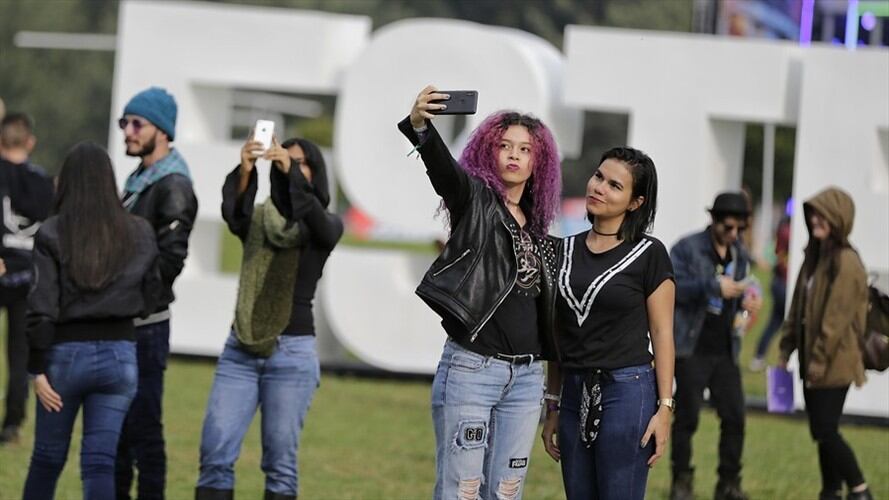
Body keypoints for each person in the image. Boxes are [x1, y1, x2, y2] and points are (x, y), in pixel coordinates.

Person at [399, 85, 562, 500]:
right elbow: (444, 173)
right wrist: (421, 126)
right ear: (489, 151)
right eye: (504, 145)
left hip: (527, 379)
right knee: (463, 491)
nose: (513, 154)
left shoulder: (542, 232)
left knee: (507, 492)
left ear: (537, 162)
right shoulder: (475, 202)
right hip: (474, 369)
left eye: (524, 149)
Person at [195, 132, 342, 500]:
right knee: (214, 454)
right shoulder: (260, 220)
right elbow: (235, 214)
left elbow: (312, 214)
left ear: (315, 172)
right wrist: (245, 169)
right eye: (284, 158)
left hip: (292, 354)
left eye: (300, 161)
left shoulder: (326, 225)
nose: (289, 165)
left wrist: (289, 171)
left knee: (280, 466)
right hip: (240, 349)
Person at [22, 142, 160, 500]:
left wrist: (36, 368)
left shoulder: (52, 232)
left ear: (66, 182)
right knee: (99, 464)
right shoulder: (140, 231)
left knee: (47, 458)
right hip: (120, 356)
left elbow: (41, 305)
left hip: (64, 357)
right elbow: (152, 295)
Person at [541, 147, 675, 500]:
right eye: (599, 176)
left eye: (615, 185)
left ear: (635, 202)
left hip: (628, 392)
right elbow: (557, 333)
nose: (599, 187)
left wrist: (665, 408)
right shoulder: (561, 251)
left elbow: (662, 334)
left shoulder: (650, 255)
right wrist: (552, 403)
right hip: (573, 393)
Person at [115, 86, 198, 500]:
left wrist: (124, 300)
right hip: (121, 322)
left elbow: (169, 264)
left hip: (144, 327)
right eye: (124, 123)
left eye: (136, 124)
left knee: (144, 431)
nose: (127, 131)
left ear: (162, 131)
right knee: (117, 433)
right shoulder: (139, 178)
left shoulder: (172, 185)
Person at [778, 187, 873, 500]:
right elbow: (797, 307)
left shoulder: (846, 262)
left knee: (825, 429)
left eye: (822, 214)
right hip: (812, 360)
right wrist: (785, 350)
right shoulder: (814, 256)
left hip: (835, 361)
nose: (815, 219)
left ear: (838, 218)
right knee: (821, 431)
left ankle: (859, 489)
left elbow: (835, 322)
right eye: (812, 213)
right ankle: (830, 490)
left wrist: (817, 363)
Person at [669, 192, 763, 500]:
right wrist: (712, 287)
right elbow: (670, 290)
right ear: (714, 221)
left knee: (735, 417)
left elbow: (747, 286)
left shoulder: (740, 254)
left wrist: (749, 301)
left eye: (739, 229)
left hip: (726, 349)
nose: (733, 234)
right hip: (691, 347)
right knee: (687, 418)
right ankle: (681, 483)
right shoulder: (686, 248)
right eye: (728, 228)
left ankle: (728, 484)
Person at [0, 112, 54, 444]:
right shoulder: (43, 182)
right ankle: (12, 424)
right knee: (19, 354)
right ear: (30, 142)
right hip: (27, 275)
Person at [749, 207, 791, 371]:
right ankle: (772, 359)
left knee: (774, 323)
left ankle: (759, 356)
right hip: (782, 283)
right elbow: (781, 257)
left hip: (778, 282)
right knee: (783, 325)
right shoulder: (788, 233)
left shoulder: (783, 230)